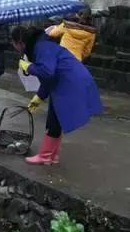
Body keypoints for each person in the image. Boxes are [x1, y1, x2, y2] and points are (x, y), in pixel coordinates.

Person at [11, 26, 103, 165]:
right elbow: (48, 79)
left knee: (55, 118)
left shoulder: (41, 47)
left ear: (19, 42)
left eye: (13, 43)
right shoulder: (39, 46)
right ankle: (51, 155)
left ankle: (45, 156)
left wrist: (28, 67)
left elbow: (47, 72)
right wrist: (38, 99)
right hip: (67, 80)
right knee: (56, 119)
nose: (13, 47)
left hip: (70, 82)